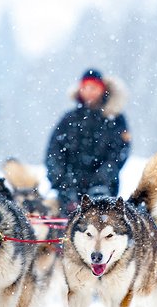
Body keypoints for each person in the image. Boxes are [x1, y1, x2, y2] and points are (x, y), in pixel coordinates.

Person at [45, 68, 132, 215]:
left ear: (102, 89)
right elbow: (54, 151)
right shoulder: (69, 119)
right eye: (85, 87)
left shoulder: (115, 118)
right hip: (69, 190)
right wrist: (62, 181)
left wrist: (103, 177)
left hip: (104, 189)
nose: (88, 91)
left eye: (93, 87)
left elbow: (119, 152)